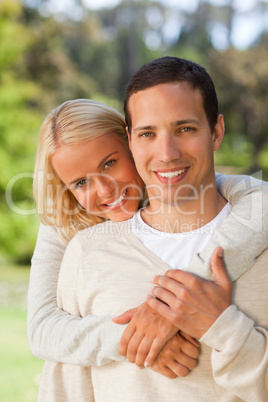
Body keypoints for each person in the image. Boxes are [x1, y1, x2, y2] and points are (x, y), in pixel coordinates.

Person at [36, 58, 268, 401]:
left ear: (216, 131)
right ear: (133, 139)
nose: (167, 153)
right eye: (148, 133)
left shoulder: (254, 219)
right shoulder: (82, 249)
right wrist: (135, 337)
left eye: (185, 129)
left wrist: (220, 326)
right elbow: (51, 350)